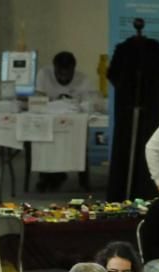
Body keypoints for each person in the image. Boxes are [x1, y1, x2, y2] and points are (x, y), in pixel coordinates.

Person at [34, 51, 101, 192]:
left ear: (73, 70)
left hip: (73, 122)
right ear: (54, 69)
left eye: (67, 74)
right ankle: (46, 176)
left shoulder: (83, 79)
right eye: (60, 73)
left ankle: (81, 179)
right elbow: (38, 99)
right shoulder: (44, 75)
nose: (63, 77)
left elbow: (91, 103)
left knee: (78, 141)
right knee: (42, 139)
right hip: (50, 122)